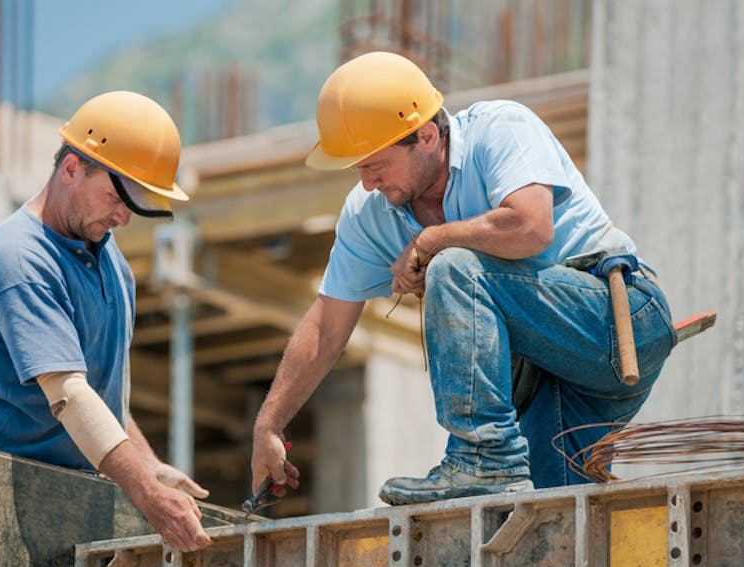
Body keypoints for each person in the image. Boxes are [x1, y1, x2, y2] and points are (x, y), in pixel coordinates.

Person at [250, 51, 676, 506]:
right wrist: (268, 425)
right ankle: (494, 466)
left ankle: (484, 460)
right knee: (553, 519)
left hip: (618, 320)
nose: (368, 183)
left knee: (454, 266)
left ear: (427, 135)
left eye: (375, 165)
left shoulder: (500, 130)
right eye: (358, 169)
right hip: (549, 376)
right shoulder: (369, 213)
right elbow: (326, 325)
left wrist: (434, 239)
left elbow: (532, 227)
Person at [0, 91, 212, 551]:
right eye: (116, 196)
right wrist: (146, 494)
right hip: (5, 499)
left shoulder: (111, 264)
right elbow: (69, 395)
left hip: (74, 497)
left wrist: (150, 467)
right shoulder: (18, 260)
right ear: (71, 168)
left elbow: (97, 394)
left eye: (134, 204)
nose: (123, 217)